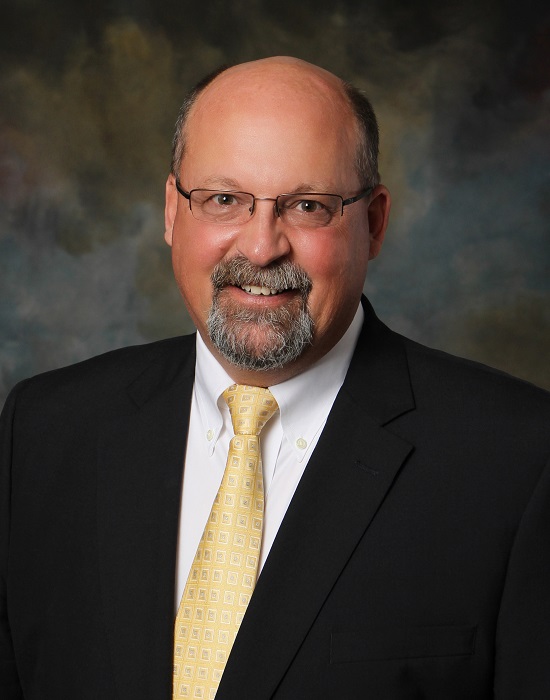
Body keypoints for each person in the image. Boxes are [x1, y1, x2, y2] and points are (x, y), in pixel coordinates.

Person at [1, 56, 549, 700]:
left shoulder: (519, 461)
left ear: (373, 223)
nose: (261, 248)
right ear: (172, 211)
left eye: (308, 206)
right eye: (223, 200)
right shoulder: (43, 432)